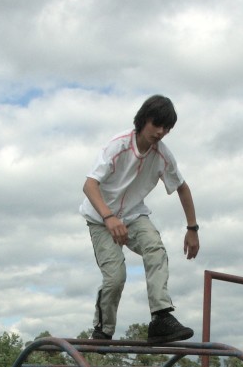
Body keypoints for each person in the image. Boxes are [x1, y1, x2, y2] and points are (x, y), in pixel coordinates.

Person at [80, 94, 200, 344]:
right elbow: (90, 185)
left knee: (155, 248)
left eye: (167, 128)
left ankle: (161, 317)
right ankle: (103, 330)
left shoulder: (162, 155)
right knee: (115, 278)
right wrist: (109, 217)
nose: (161, 132)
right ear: (144, 120)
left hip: (134, 215)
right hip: (101, 218)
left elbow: (182, 187)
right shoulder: (118, 146)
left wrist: (192, 228)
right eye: (157, 125)